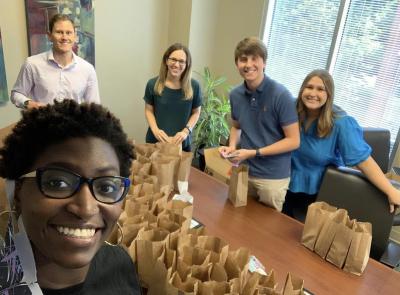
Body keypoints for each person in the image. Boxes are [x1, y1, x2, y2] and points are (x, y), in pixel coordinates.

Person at [0, 100, 141, 294]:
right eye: (58, 183)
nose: (86, 208)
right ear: (18, 193)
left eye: (106, 186)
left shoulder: (120, 264)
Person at [282, 69, 400, 218]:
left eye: (320, 89)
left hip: (317, 193)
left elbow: (364, 162)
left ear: (329, 94)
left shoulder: (341, 123)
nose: (313, 93)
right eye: (309, 87)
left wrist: (390, 191)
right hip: (282, 181)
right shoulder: (290, 108)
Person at [219, 37, 300, 212]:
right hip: (244, 172)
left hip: (272, 179)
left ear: (264, 62)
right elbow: (237, 126)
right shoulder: (235, 95)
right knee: (236, 219)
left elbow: (294, 141)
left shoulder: (281, 95)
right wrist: (231, 147)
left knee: (265, 231)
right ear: (237, 64)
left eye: (254, 58)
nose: (248, 64)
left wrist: (254, 153)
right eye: (243, 59)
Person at [11, 14, 100, 109]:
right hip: (42, 122)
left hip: (73, 123)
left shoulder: (88, 69)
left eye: (69, 33)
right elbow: (16, 94)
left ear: (75, 36)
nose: (64, 37)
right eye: (59, 32)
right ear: (49, 36)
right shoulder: (32, 64)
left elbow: (94, 107)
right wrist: (30, 104)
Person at [143, 43, 202, 152]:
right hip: (155, 142)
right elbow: (148, 110)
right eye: (173, 59)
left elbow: (196, 112)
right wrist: (156, 131)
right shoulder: (152, 84)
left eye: (181, 61)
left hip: (181, 144)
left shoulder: (194, 86)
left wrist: (186, 131)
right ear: (166, 60)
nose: (176, 64)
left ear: (187, 64)